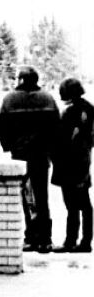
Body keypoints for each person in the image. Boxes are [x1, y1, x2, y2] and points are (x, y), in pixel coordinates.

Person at [0, 66, 60, 253]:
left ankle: (30, 237)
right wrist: (49, 148)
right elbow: (57, 128)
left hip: (20, 156)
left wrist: (10, 146)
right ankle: (45, 240)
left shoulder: (9, 100)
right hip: (41, 155)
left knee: (25, 196)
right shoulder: (47, 98)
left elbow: (0, 127)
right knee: (42, 197)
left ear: (21, 79)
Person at [51, 78, 94, 253]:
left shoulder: (70, 112)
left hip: (69, 164)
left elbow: (61, 140)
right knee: (84, 204)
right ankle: (85, 241)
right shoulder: (89, 109)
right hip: (83, 163)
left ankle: (71, 241)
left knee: (72, 205)